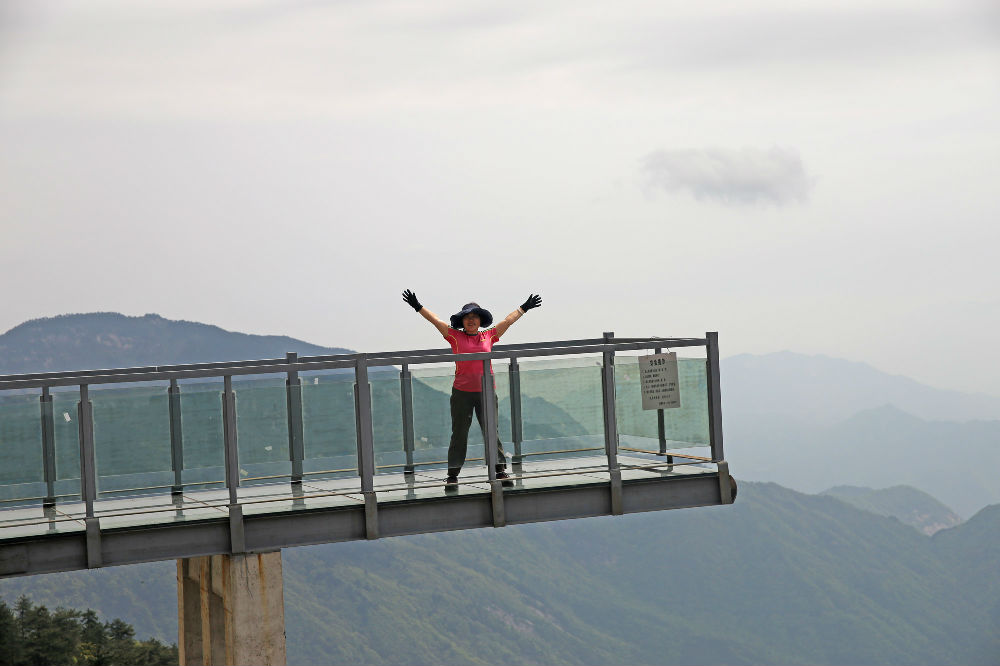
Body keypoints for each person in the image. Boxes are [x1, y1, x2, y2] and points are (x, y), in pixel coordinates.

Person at [402, 289, 542, 489]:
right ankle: (452, 476)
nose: (471, 320)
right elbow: (435, 320)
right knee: (459, 434)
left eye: (475, 317)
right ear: (462, 321)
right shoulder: (454, 336)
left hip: (487, 391)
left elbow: (508, 321)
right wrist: (418, 306)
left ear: (480, 320)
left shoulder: (489, 335)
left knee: (491, 432)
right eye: (467, 317)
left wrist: (524, 308)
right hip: (462, 393)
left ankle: (500, 471)